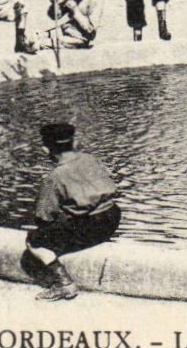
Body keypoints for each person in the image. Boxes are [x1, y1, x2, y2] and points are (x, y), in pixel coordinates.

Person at [24, 122, 120, 301]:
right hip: (113, 216)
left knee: (34, 241)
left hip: (90, 225)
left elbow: (43, 216)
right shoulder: (89, 159)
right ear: (73, 143)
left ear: (46, 150)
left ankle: (63, 283)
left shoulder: (55, 176)